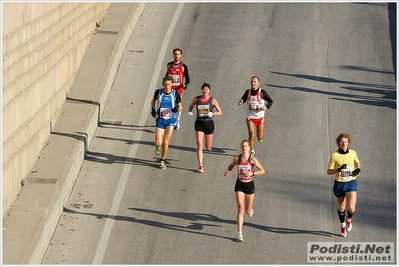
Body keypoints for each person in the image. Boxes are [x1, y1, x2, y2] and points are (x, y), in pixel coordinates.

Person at [224, 140, 265, 242]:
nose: (244, 148)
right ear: (240, 147)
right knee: (240, 209)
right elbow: (231, 165)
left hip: (249, 185)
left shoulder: (252, 159)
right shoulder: (237, 158)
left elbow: (262, 170)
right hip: (239, 185)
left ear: (249, 148)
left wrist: (252, 173)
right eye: (243, 146)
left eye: (246, 146)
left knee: (247, 210)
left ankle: (250, 210)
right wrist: (228, 170)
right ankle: (239, 233)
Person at [327, 132, 361, 237]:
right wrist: (338, 170)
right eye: (342, 142)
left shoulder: (353, 153)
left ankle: (349, 219)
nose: (344, 144)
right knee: (341, 208)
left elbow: (357, 162)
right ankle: (342, 225)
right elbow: (329, 171)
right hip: (340, 184)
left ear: (348, 143)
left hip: (351, 182)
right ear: (338, 143)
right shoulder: (334, 155)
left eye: (346, 142)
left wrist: (358, 170)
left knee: (351, 208)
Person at [187, 83, 223, 173]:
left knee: (208, 147)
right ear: (201, 90)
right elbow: (190, 106)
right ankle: (200, 165)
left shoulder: (212, 100)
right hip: (199, 122)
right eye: (204, 89)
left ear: (209, 91)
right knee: (199, 144)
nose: (205, 91)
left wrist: (213, 113)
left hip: (209, 123)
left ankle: (206, 149)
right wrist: (190, 111)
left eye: (207, 89)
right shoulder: (196, 99)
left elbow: (220, 112)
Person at [150, 76, 182, 169]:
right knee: (158, 143)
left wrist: (176, 108)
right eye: (165, 84)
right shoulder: (158, 92)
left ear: (172, 84)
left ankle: (162, 160)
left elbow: (180, 107)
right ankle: (157, 146)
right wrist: (153, 109)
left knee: (165, 142)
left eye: (169, 84)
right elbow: (153, 101)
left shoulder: (175, 94)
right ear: (163, 84)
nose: (167, 86)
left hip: (170, 120)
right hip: (160, 120)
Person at [238, 76, 273, 155]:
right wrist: (241, 102)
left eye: (254, 82)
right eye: (252, 81)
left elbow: (270, 101)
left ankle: (259, 137)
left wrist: (266, 106)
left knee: (260, 137)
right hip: (250, 116)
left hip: (260, 117)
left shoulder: (262, 92)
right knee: (251, 133)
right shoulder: (248, 92)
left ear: (258, 83)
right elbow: (243, 99)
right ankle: (252, 151)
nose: (253, 83)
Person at [165, 48, 190, 130]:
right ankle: (169, 120)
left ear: (181, 56)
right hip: (169, 88)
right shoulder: (169, 65)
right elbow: (167, 75)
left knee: (178, 105)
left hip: (179, 89)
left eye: (178, 54)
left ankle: (177, 121)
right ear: (173, 55)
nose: (177, 56)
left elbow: (187, 78)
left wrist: (186, 85)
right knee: (168, 104)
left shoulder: (183, 66)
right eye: (175, 54)